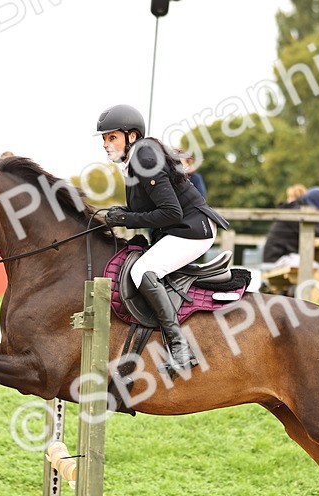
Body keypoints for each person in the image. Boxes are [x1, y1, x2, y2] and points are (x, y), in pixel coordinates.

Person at [97, 103, 229, 372]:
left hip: (193, 231)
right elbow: (145, 209)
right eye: (104, 139)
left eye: (112, 137)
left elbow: (170, 212)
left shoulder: (144, 157)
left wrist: (126, 219)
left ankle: (180, 347)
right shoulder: (133, 160)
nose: (106, 144)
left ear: (131, 136)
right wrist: (121, 213)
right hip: (178, 229)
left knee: (143, 270)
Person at [260, 185, 319, 265]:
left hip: (282, 256)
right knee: (314, 267)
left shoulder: (294, 210)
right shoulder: (297, 213)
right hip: (277, 259)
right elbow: (317, 234)